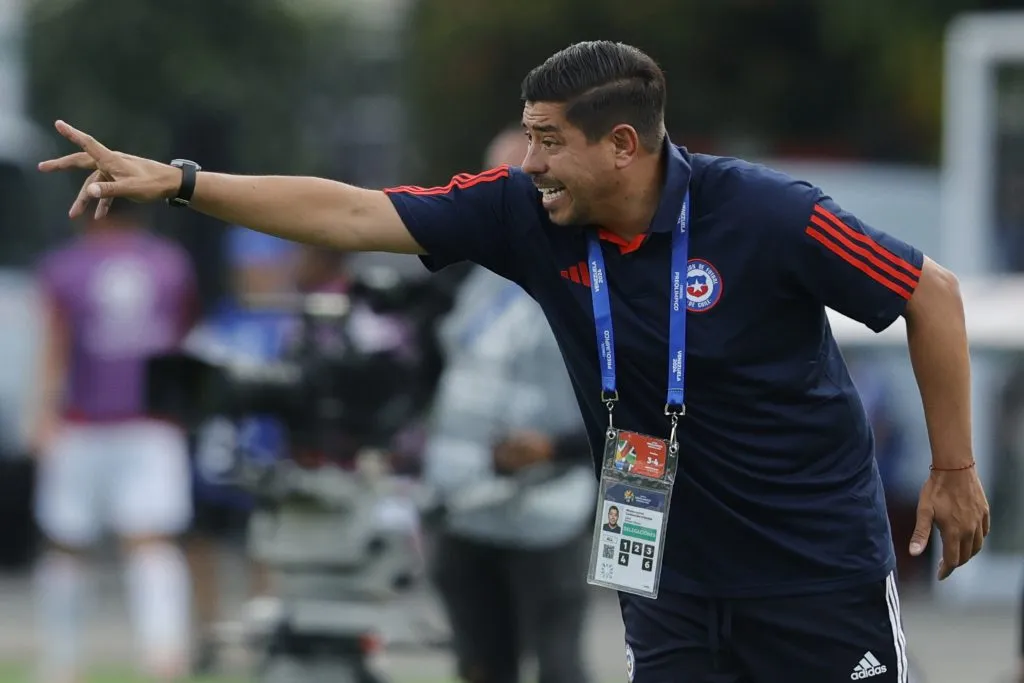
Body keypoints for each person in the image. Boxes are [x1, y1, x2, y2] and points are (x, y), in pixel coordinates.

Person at [39, 40, 990, 683]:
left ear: (623, 145)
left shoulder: (765, 212)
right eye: (527, 136)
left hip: (814, 570)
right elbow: (353, 211)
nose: (529, 161)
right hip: (669, 580)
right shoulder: (523, 213)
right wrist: (182, 183)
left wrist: (952, 466)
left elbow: (929, 291)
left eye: (547, 140)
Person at [424, 127, 595, 683]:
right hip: (465, 502)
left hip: (549, 506)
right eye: (490, 184)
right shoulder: (470, 274)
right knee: (479, 666)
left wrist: (554, 447)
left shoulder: (593, 275)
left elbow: (639, 406)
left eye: (517, 184)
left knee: (559, 665)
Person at [28, 199, 199, 683]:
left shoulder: (63, 266)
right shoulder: (171, 262)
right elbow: (184, 341)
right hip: (153, 423)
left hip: (81, 422)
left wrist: (40, 416)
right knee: (152, 544)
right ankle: (165, 658)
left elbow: (53, 345)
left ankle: (61, 664)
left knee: (65, 546)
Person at [182, 225, 295, 675]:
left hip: (268, 458)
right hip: (215, 459)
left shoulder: (291, 325)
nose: (256, 277)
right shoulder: (219, 322)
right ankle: (209, 634)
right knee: (202, 543)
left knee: (262, 550)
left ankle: (259, 637)